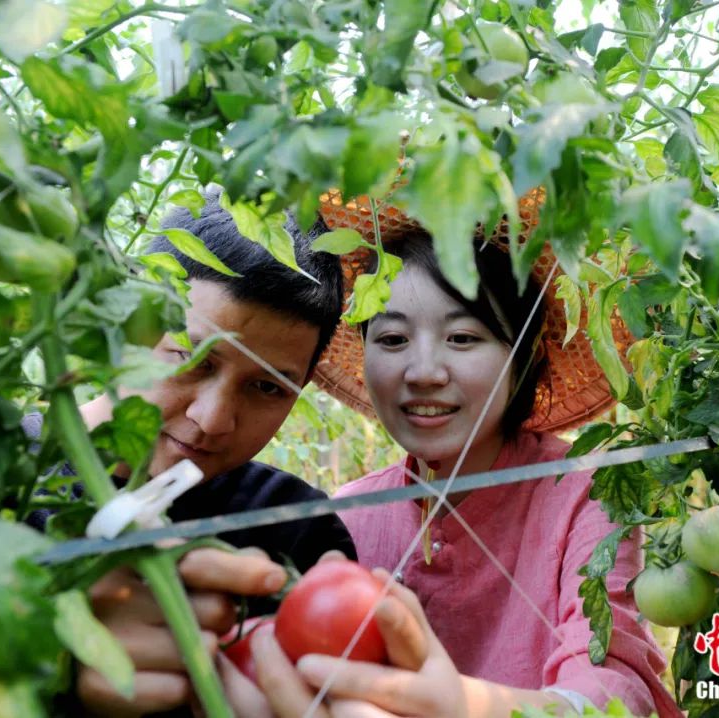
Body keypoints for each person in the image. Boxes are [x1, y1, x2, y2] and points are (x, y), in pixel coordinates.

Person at [228, 189, 681, 717]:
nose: (422, 373)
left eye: (463, 338)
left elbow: (613, 683)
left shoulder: (586, 495)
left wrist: (470, 706)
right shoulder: (345, 516)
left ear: (525, 355)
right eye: (392, 338)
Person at [64, 188, 359, 716]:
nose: (213, 419)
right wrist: (51, 661)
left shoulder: (296, 532)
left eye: (267, 388)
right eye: (191, 357)